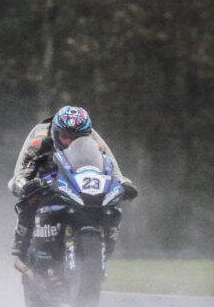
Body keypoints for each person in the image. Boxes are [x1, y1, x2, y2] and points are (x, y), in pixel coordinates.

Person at [8, 105, 137, 258]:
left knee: (112, 202)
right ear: (55, 133)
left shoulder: (96, 144)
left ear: (87, 135)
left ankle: (107, 239)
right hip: (47, 178)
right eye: (65, 136)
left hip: (78, 182)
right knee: (30, 197)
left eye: (76, 137)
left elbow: (112, 168)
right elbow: (21, 173)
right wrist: (25, 186)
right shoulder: (40, 141)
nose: (70, 142)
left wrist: (123, 183)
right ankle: (22, 240)